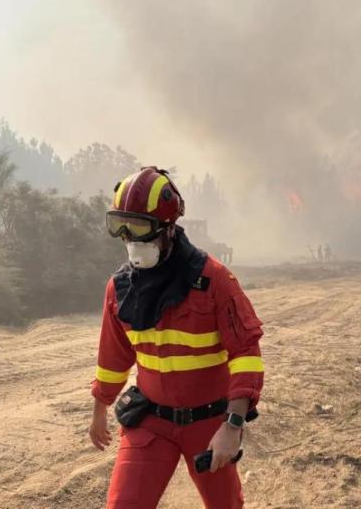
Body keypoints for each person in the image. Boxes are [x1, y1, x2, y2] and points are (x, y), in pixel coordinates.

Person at [90, 167, 265, 509]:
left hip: (209, 423)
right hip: (150, 422)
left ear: (168, 227)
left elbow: (245, 351)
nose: (130, 239)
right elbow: (113, 357)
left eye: (139, 227)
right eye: (121, 227)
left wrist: (232, 425)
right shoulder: (120, 289)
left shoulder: (213, 280)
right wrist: (100, 407)